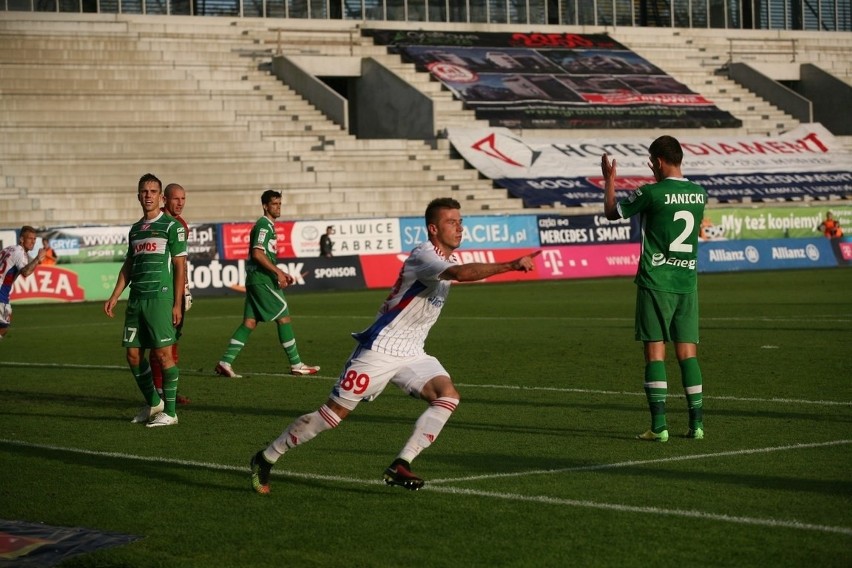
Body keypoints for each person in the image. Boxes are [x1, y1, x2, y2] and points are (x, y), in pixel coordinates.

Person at [248, 197, 541, 495]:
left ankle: (401, 464)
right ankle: (266, 457)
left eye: (460, 221)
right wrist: (510, 265)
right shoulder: (425, 256)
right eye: (451, 222)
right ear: (433, 229)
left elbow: (457, 270)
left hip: (412, 350)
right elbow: (460, 275)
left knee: (447, 395)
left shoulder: (448, 258)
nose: (459, 227)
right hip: (380, 347)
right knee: (332, 416)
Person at [601, 135, 706, 443]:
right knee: (688, 353)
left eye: (652, 161)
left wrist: (610, 181)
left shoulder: (650, 192)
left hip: (656, 281)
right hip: (687, 283)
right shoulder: (700, 194)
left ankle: (659, 426)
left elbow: (612, 212)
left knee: (655, 353)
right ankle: (696, 424)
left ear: (658, 161)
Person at [103, 173, 187, 428]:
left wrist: (176, 303)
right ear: (138, 195)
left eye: (153, 191)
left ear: (160, 197)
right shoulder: (136, 229)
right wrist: (115, 295)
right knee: (132, 355)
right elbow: (129, 264)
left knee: (163, 354)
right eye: (144, 191)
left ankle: (170, 412)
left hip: (160, 298)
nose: (148, 195)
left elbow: (180, 266)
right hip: (136, 299)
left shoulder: (172, 227)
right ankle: (154, 402)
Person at [215, 190, 320, 378]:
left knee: (249, 322)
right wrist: (278, 272)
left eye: (280, 204)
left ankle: (225, 362)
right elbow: (257, 253)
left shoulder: (268, 226)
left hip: (256, 280)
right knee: (284, 316)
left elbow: (261, 254)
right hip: (262, 281)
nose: (278, 207)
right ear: (265, 206)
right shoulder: (264, 226)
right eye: (274, 204)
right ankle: (296, 364)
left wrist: (281, 272)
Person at [149, 183, 192, 406]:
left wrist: (185, 288)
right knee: (159, 344)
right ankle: (158, 393)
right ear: (165, 199)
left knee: (172, 341)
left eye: (183, 199)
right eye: (176, 199)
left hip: (177, 292)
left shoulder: (182, 224)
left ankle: (166, 391)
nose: (180, 203)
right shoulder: (159, 222)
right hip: (160, 294)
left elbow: (181, 262)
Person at [0, 226, 47, 340]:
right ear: (21, 239)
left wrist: (37, 259)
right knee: (3, 327)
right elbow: (25, 272)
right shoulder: (20, 253)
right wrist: (38, 259)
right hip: (1, 293)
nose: (33, 241)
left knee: (5, 323)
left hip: (3, 293)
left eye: (34, 239)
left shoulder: (9, 248)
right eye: (30, 238)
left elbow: (27, 262)